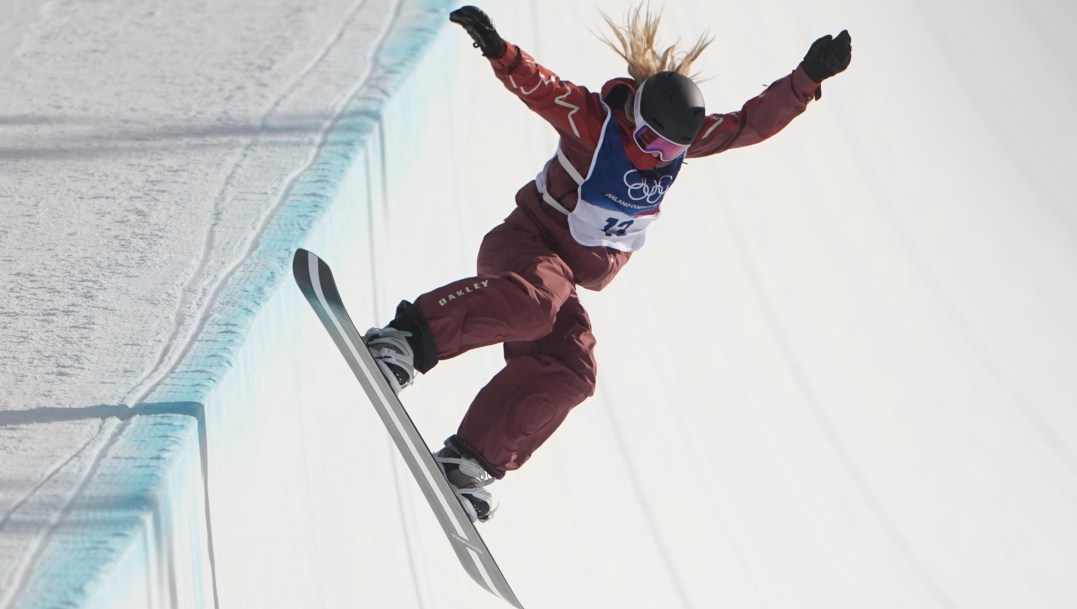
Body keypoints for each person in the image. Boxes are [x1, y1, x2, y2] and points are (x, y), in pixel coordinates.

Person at [364, 4, 852, 522]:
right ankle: (406, 339)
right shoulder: (594, 122)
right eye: (648, 140)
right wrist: (499, 50)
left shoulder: (678, 149)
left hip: (562, 277)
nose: (656, 156)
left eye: (670, 149)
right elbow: (540, 87)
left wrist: (806, 80)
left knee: (573, 369)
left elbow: (748, 123)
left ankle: (470, 459)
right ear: (634, 117)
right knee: (537, 304)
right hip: (525, 244)